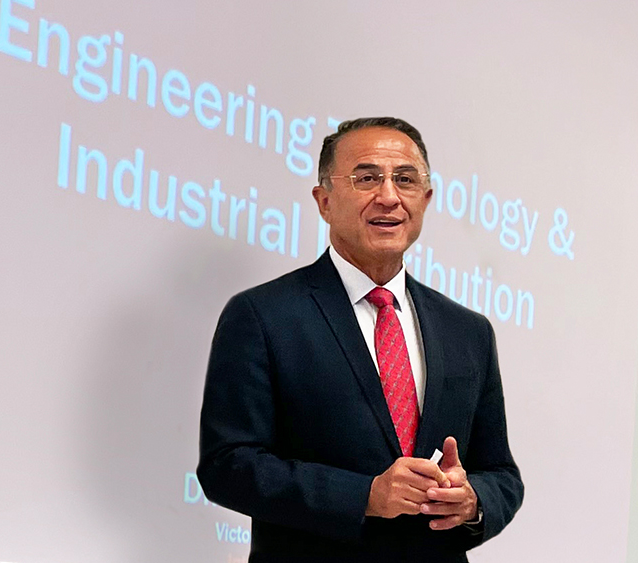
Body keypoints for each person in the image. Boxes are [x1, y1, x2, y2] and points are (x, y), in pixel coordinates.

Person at [197, 117, 523, 562]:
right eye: (367, 177)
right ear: (324, 200)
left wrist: (472, 502)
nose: (389, 196)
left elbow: (501, 473)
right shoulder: (262, 315)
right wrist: (364, 495)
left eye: (405, 180)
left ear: (425, 200)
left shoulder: (468, 331)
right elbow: (227, 465)